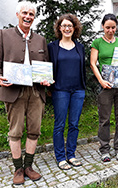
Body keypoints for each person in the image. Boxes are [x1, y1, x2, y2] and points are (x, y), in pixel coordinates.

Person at [0, 1, 51, 185]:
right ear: (18, 14)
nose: (28, 17)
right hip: (13, 90)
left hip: (36, 91)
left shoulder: (40, 39)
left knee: (34, 130)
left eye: (31, 14)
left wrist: (45, 79)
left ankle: (29, 166)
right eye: (25, 13)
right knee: (15, 131)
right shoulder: (4, 35)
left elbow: (45, 64)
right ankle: (18, 169)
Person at [90, 13, 118, 162]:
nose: (110, 30)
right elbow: (93, 63)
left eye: (113, 27)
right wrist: (101, 81)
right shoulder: (97, 43)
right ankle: (105, 149)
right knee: (104, 118)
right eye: (107, 27)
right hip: (106, 84)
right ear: (102, 27)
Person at [47, 14, 86, 170]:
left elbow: (82, 68)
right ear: (59, 28)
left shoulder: (80, 47)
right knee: (59, 125)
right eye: (64, 26)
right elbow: (47, 67)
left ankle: (71, 155)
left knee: (74, 124)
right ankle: (60, 158)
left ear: (74, 28)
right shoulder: (52, 47)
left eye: (70, 26)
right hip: (60, 90)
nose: (67, 28)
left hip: (78, 90)